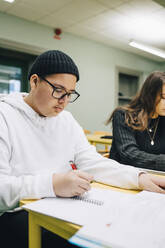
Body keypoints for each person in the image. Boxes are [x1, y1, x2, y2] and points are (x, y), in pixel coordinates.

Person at [0, 52, 165, 248]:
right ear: (34, 82)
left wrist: (138, 177)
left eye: (70, 93)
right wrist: (52, 184)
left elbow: (93, 162)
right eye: (58, 90)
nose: (64, 100)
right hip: (16, 214)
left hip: (62, 206)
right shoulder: (5, 117)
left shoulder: (66, 121)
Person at [106, 71, 165, 171]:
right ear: (150, 94)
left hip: (155, 178)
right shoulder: (123, 115)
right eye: (164, 97)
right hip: (123, 177)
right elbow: (129, 154)